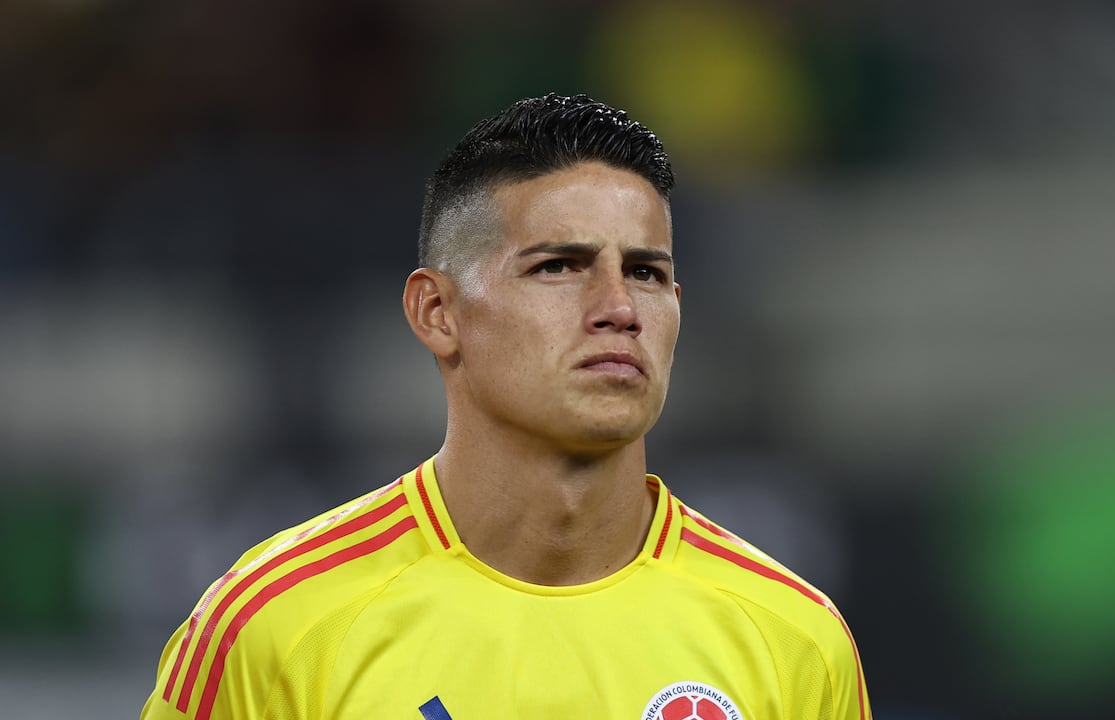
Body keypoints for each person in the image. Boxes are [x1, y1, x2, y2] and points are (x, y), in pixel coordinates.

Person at [140, 93, 870, 719]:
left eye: (646, 273)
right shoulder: (274, 626)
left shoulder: (794, 639)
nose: (619, 308)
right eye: (559, 266)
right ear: (437, 312)